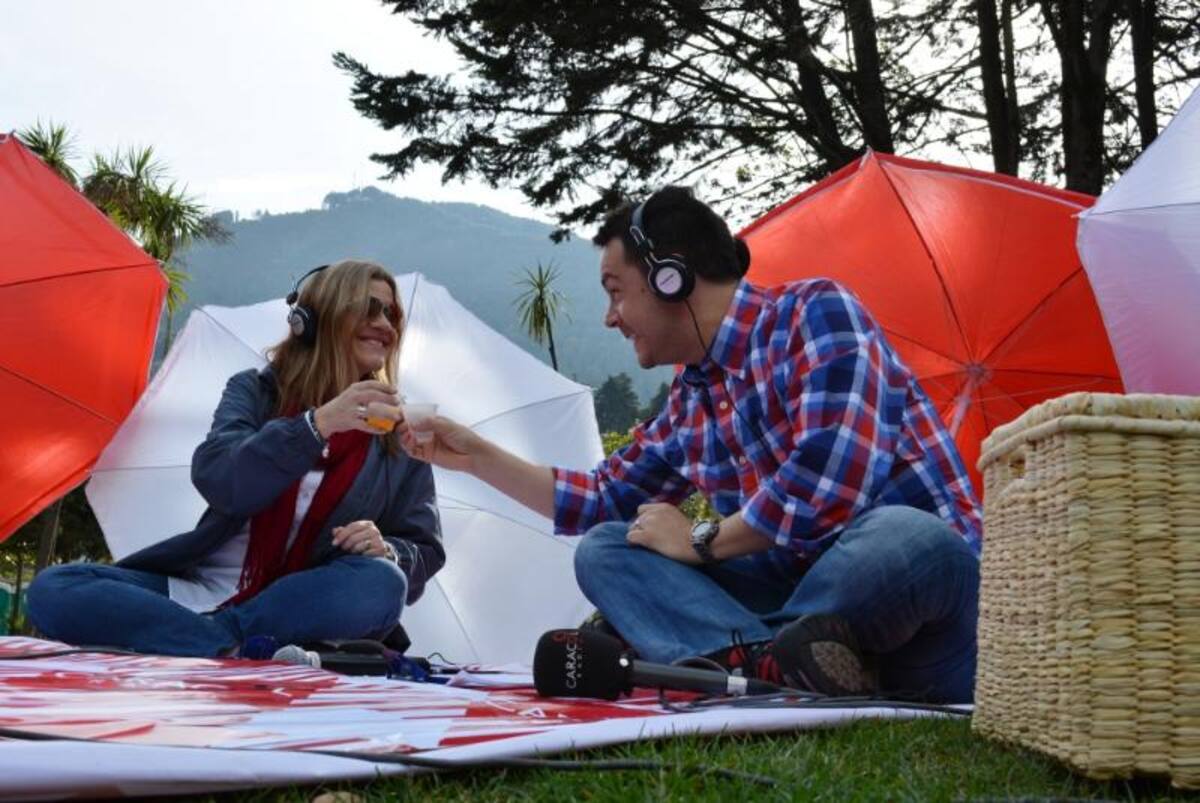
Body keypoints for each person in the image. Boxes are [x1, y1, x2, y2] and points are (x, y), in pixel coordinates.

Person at [399, 187, 982, 704]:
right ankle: (778, 665)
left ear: (669, 276)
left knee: (910, 536)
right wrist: (474, 454)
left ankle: (732, 658)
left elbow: (829, 482)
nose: (610, 318)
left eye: (615, 291)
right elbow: (600, 498)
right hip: (814, 613)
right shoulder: (689, 400)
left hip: (920, 610)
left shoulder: (815, 311)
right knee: (607, 548)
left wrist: (702, 541)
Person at [27, 259, 444, 658]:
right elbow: (221, 478)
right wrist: (317, 425)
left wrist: (387, 550)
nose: (385, 325)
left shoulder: (396, 431)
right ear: (315, 321)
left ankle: (209, 638)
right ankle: (232, 643)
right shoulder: (254, 391)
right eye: (369, 309)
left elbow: (423, 546)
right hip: (204, 593)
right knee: (54, 587)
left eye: (391, 314)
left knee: (382, 582)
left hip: (306, 605)